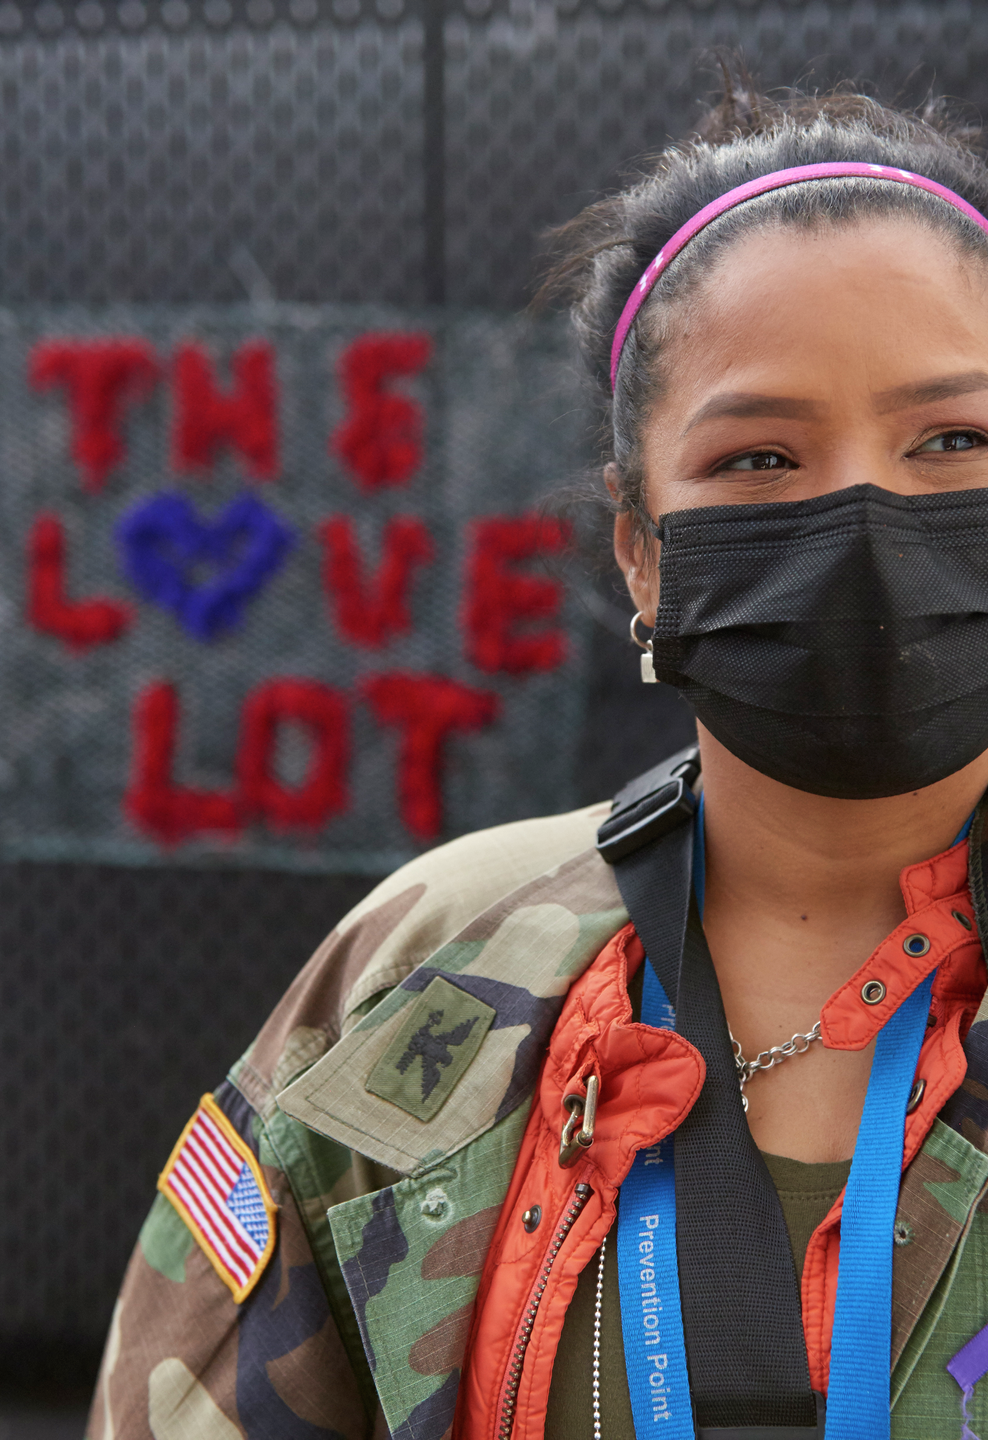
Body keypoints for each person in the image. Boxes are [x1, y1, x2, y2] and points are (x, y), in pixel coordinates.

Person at [87, 74, 988, 1440]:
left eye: (953, 441)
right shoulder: (428, 962)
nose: (862, 516)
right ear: (640, 550)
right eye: (757, 461)